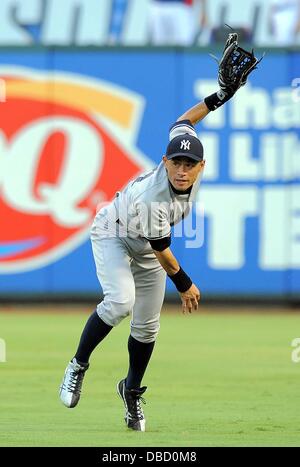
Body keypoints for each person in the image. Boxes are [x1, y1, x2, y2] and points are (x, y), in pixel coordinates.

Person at [59, 34, 258, 432]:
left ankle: (130, 392)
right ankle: (78, 364)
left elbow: (186, 121)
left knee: (147, 327)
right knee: (119, 303)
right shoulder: (155, 196)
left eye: (191, 163)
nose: (183, 169)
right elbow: (164, 252)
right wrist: (185, 283)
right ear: (165, 161)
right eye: (177, 162)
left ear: (201, 166)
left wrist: (219, 97)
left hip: (147, 247)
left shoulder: (189, 155)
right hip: (116, 232)